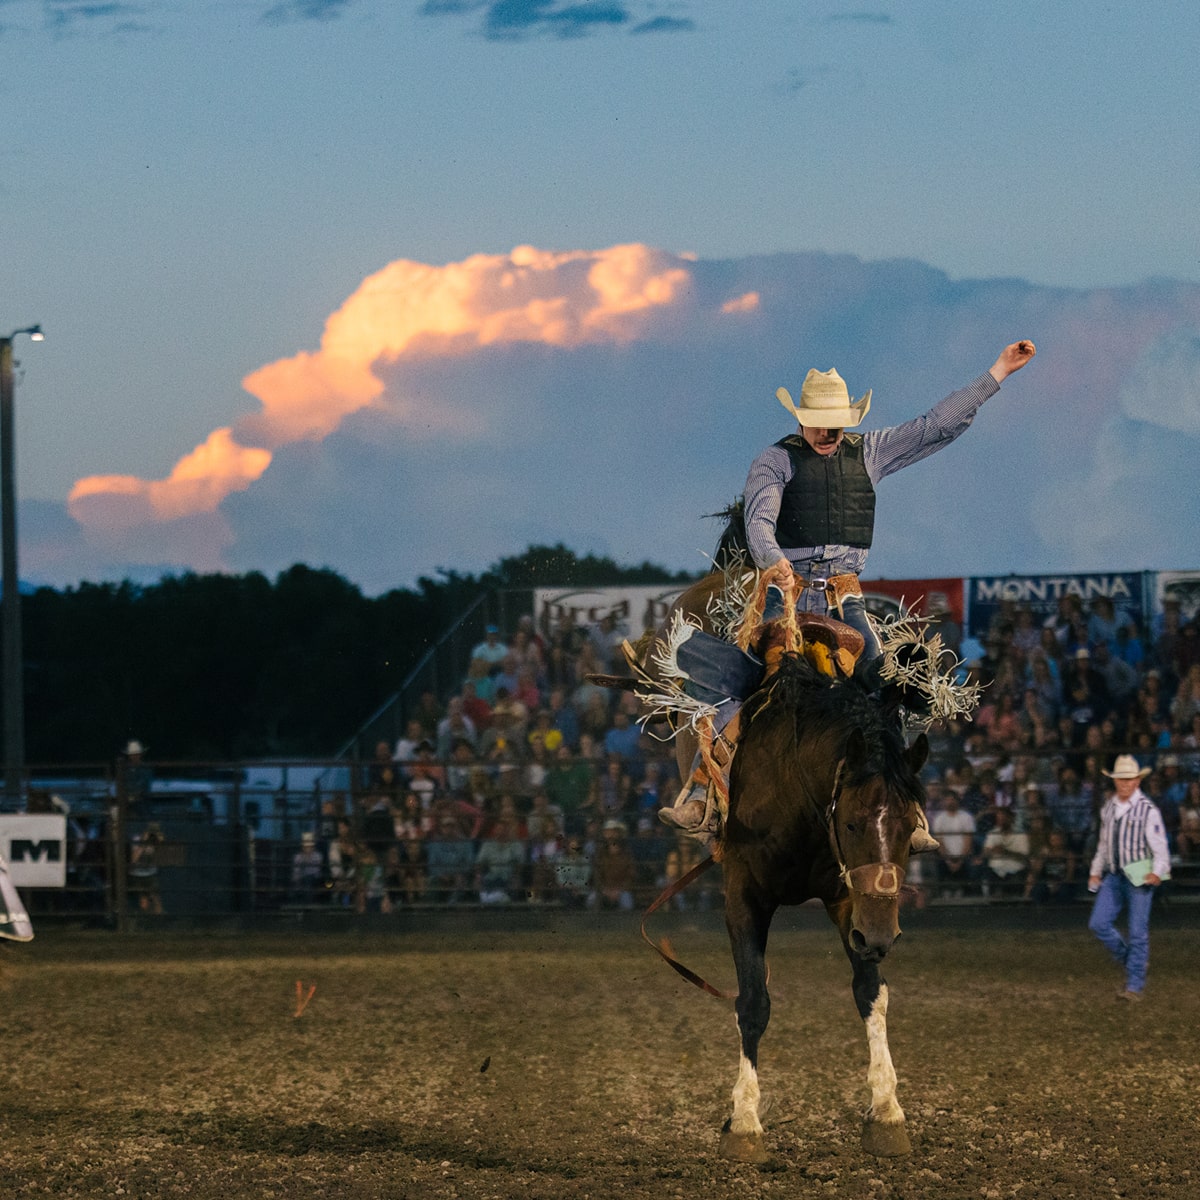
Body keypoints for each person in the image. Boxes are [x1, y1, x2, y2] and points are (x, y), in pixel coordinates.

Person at [661, 339, 1036, 837]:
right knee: (737, 678)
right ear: (801, 419)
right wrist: (773, 563)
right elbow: (759, 522)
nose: (827, 431)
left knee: (905, 689)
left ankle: (905, 805)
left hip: (845, 597)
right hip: (784, 595)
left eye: (835, 422)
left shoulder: (871, 451)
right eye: (819, 421)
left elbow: (935, 425)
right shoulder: (774, 462)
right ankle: (704, 793)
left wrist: (998, 372)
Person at [1087, 755, 1171, 1001]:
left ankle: (1134, 985)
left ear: (1137, 781)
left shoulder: (1148, 810)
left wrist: (1157, 871)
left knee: (1137, 932)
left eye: (1128, 779)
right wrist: (1096, 870)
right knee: (1099, 924)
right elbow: (1104, 844)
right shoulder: (1109, 808)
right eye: (1120, 779)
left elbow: (1160, 847)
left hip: (1139, 877)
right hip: (1115, 874)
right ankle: (1132, 962)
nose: (1124, 784)